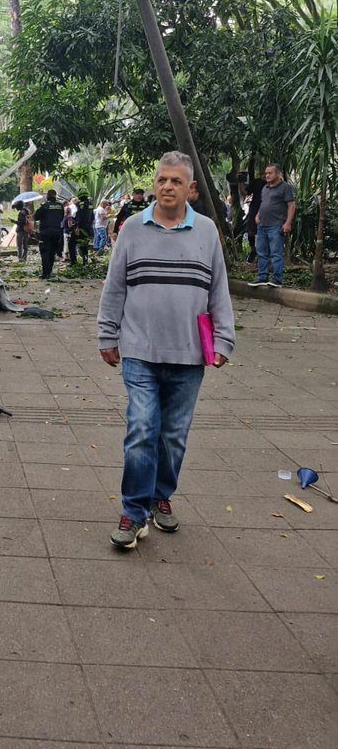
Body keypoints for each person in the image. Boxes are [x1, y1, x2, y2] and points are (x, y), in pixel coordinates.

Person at [97, 151, 235, 551]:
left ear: (190, 188)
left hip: (190, 356)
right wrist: (107, 335)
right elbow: (115, 286)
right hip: (140, 350)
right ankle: (133, 511)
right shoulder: (132, 229)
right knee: (142, 429)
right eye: (161, 180)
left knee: (173, 436)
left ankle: (161, 495)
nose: (167, 187)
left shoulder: (207, 231)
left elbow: (218, 290)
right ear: (154, 184)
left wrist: (224, 340)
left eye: (176, 181)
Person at [250, 163, 295, 287]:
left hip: (276, 225)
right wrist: (258, 215)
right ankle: (262, 277)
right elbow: (264, 203)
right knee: (261, 252)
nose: (267, 175)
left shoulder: (285, 187)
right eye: (266, 173)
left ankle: (277, 279)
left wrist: (288, 222)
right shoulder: (265, 188)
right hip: (262, 225)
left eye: (270, 173)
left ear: (278, 173)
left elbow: (291, 205)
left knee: (276, 253)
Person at [35, 189, 65, 279]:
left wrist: (41, 207)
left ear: (48, 196)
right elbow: (61, 217)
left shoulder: (45, 206)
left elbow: (36, 217)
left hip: (46, 232)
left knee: (45, 252)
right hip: (57, 231)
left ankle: (46, 273)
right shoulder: (60, 206)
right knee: (52, 252)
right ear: (55, 196)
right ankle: (50, 271)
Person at [70, 193, 94, 265]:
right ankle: (85, 261)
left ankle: (73, 261)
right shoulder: (90, 204)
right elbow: (92, 217)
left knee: (71, 244)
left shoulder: (80, 204)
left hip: (80, 228)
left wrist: (76, 227)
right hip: (88, 228)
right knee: (84, 245)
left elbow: (79, 217)